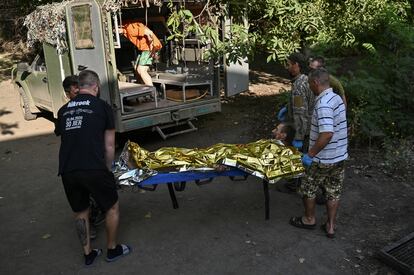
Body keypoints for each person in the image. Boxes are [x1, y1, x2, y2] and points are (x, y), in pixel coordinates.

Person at [55, 70, 131, 265]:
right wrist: (108, 170)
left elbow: (66, 136)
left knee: (81, 212)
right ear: (96, 87)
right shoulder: (102, 107)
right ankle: (112, 249)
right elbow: (109, 145)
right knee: (111, 206)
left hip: (68, 169)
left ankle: (88, 254)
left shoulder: (63, 111)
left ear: (78, 87)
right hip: (93, 166)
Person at [289, 68, 348, 238]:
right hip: (340, 157)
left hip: (323, 159)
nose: (309, 87)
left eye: (309, 84)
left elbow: (327, 133)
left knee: (308, 188)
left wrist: (310, 154)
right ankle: (330, 226)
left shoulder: (323, 104)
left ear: (315, 83)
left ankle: (309, 219)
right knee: (333, 191)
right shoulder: (336, 98)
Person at [277, 52, 315, 191]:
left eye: (289, 64)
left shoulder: (299, 86)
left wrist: (298, 137)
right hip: (309, 127)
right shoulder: (306, 80)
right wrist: (287, 110)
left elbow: (300, 113)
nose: (287, 67)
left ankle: (300, 186)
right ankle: (299, 184)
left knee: (300, 157)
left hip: (305, 130)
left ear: (296, 65)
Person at [119, 20, 162, 86]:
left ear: (119, 27)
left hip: (149, 49)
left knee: (141, 70)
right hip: (145, 49)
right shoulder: (127, 30)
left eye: (115, 30)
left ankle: (151, 90)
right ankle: (141, 86)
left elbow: (149, 32)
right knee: (136, 68)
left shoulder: (130, 28)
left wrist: (151, 48)